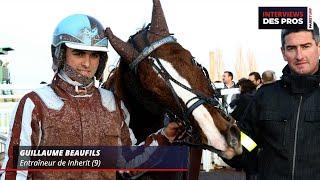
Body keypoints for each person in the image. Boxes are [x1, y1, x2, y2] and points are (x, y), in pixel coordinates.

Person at [0, 14, 181, 179]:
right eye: (78, 53)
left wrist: (164, 137)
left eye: (94, 55)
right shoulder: (37, 103)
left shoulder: (112, 104)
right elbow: (16, 172)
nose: (87, 63)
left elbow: (127, 164)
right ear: (60, 54)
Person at [226, 22, 320, 180]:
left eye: (306, 46)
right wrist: (232, 145)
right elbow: (247, 143)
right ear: (283, 52)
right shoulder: (265, 96)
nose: (299, 56)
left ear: (318, 47)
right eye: (291, 48)